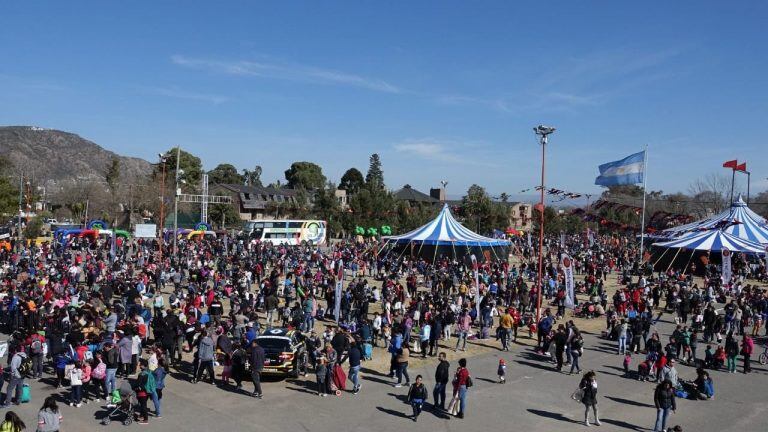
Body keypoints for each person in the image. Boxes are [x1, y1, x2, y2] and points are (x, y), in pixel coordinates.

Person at [136, 359, 155, 425]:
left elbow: (138, 384)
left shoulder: (141, 374)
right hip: (148, 391)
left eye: (140, 365)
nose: (139, 366)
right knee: (143, 404)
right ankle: (141, 416)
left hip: (142, 392)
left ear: (144, 366)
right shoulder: (149, 372)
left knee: (143, 406)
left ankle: (145, 419)